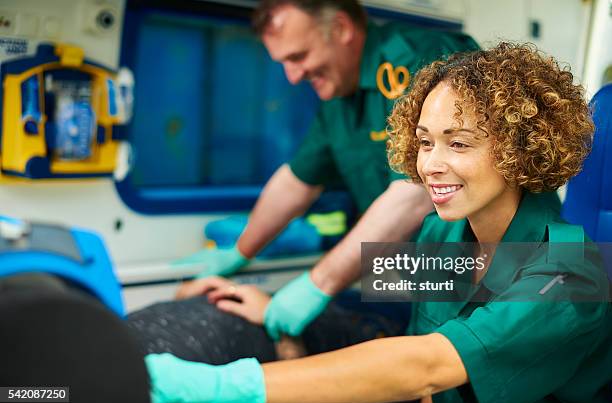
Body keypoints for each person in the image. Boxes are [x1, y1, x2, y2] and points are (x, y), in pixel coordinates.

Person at [145, 42, 612, 403]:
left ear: (521, 150)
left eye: (460, 144)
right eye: (426, 143)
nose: (430, 164)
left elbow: (427, 366)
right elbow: (406, 331)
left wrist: (222, 386)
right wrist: (273, 309)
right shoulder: (439, 234)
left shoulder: (570, 277)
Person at [127, 0, 480, 362]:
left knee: (429, 358)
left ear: (341, 30)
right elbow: (297, 181)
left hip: (475, 266)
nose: (292, 77)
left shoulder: (423, 59)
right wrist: (239, 252)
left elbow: (414, 191)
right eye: (283, 63)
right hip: (410, 273)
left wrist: (316, 285)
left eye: (298, 56)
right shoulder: (339, 99)